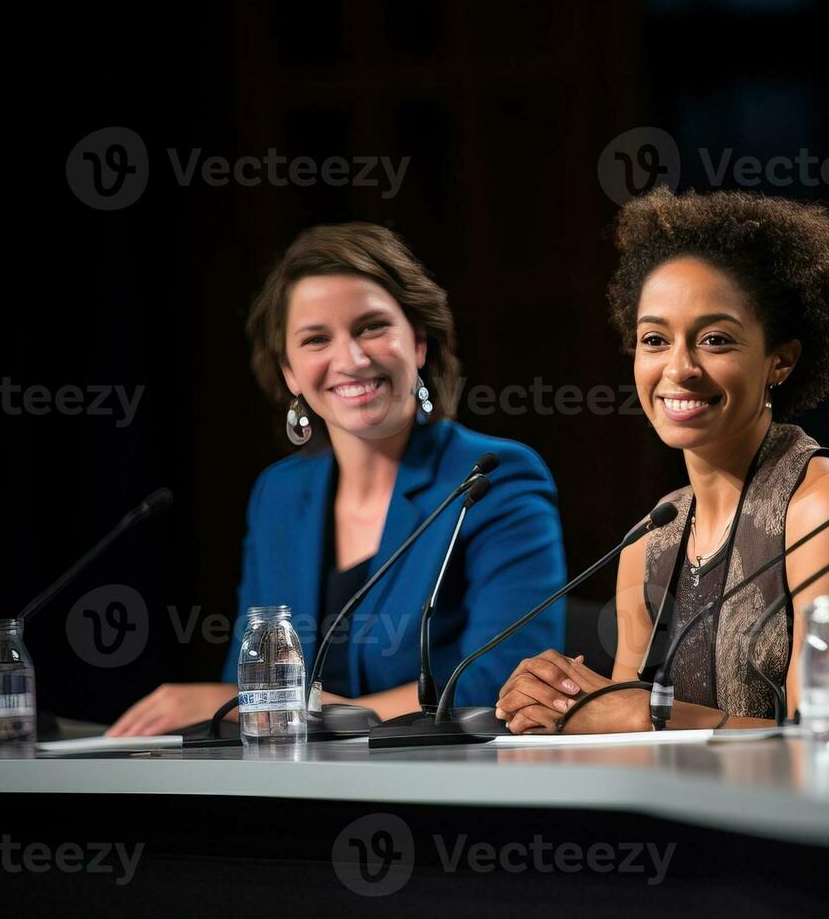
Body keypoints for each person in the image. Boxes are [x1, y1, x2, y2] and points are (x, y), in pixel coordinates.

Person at [107, 223, 568, 735]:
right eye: (316, 339)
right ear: (289, 372)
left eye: (372, 327)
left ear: (418, 342)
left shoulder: (493, 477)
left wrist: (298, 709)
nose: (350, 359)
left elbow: (507, 687)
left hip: (450, 787)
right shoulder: (280, 495)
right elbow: (254, 678)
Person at [493, 188, 829, 734]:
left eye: (714, 340)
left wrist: (647, 715)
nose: (678, 368)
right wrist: (556, 703)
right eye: (654, 339)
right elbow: (623, 734)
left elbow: (827, 734)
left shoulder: (825, 506)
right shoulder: (651, 539)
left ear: (780, 360)